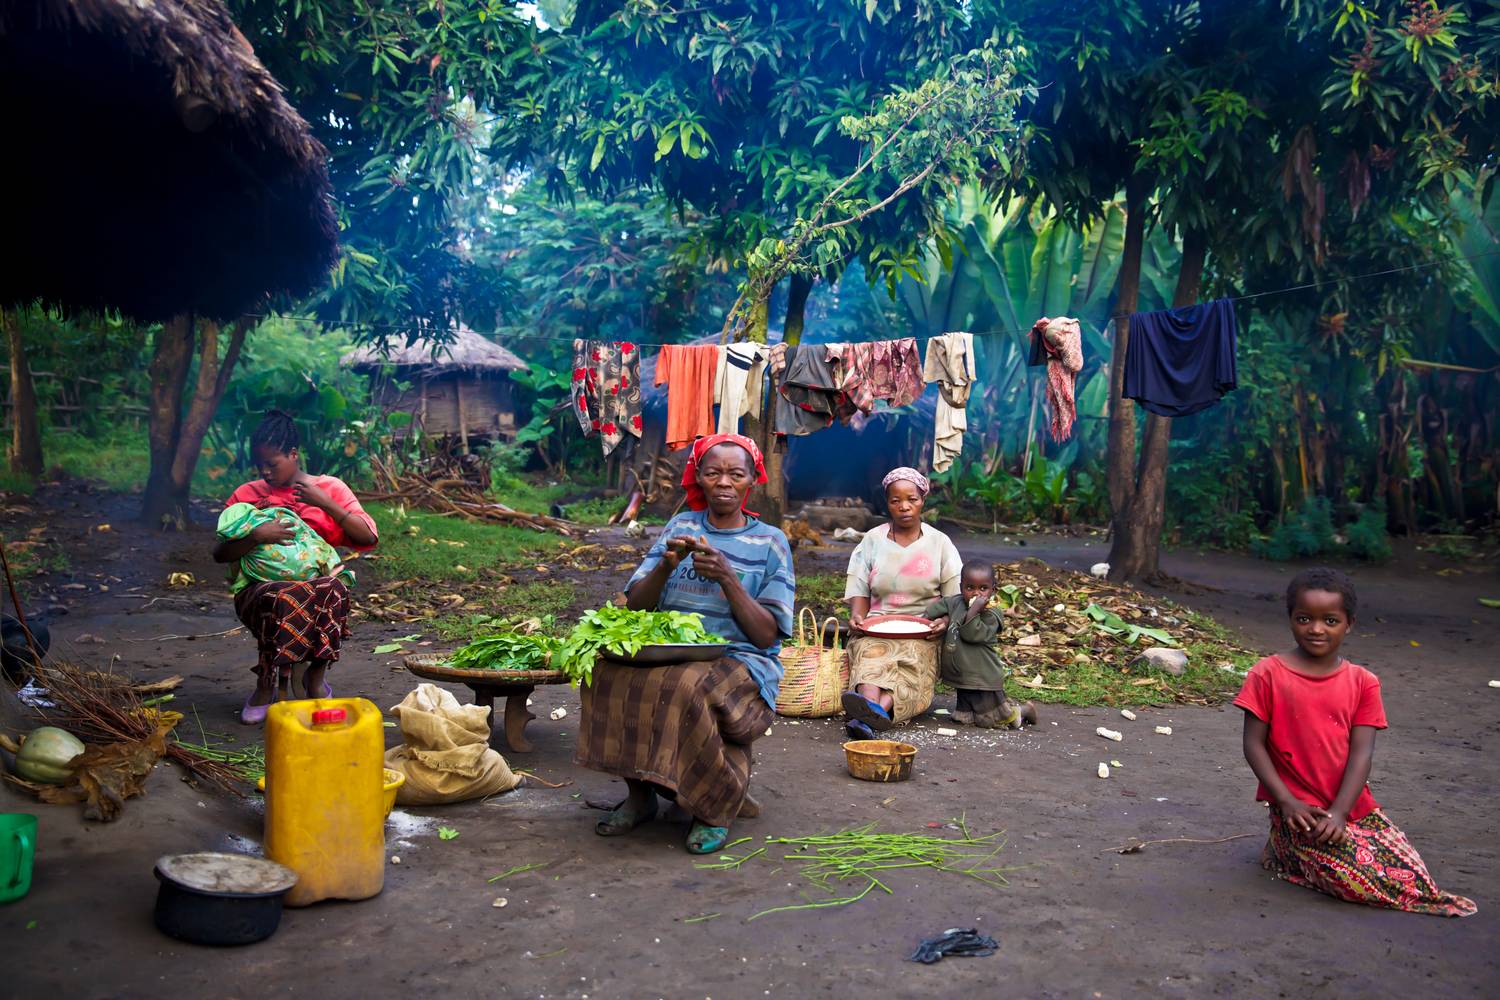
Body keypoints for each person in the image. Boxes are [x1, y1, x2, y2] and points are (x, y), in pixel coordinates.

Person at [575, 432, 794, 855]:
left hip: (741, 658)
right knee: (604, 673)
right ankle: (640, 796)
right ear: (700, 477)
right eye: (713, 473)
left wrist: (729, 578)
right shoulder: (681, 526)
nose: (724, 483)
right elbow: (637, 605)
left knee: (683, 687)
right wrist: (664, 567)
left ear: (753, 480)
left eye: (736, 474)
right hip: (671, 650)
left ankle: (712, 807)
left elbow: (766, 634)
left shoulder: (770, 541)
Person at [1234, 568, 1475, 917]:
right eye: (1304, 618)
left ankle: (1295, 849)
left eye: (1330, 620)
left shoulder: (1363, 682)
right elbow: (1253, 745)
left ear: (1349, 624)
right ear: (1290, 619)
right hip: (1300, 812)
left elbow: (1363, 753)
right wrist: (1287, 802)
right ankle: (1285, 846)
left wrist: (1340, 812)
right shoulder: (1267, 674)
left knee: (1413, 877)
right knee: (1353, 880)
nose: (1316, 629)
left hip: (1350, 804)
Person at [213, 410, 378, 724]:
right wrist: (255, 536)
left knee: (333, 586)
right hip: (260, 590)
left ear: (293, 454)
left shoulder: (329, 488)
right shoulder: (246, 496)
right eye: (259, 465)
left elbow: (368, 536)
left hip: (317, 592)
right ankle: (266, 683)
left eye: (272, 464)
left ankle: (314, 678)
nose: (265, 472)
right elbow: (220, 553)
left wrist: (325, 503)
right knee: (281, 595)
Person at [840, 466, 962, 738]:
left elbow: (954, 598)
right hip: (875, 628)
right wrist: (859, 618)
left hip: (924, 633)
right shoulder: (871, 541)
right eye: (896, 501)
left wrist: (942, 622)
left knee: (911, 665)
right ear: (887, 503)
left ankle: (870, 716)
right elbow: (859, 588)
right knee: (871, 661)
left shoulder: (940, 544)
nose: (904, 507)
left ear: (923, 501)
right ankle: (872, 710)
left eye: (912, 500)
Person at [924, 560, 1037, 729]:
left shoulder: (992, 614)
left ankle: (1024, 711)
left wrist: (974, 611)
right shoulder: (955, 602)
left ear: (993, 589)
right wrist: (939, 618)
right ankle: (969, 714)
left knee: (993, 718)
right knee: (965, 715)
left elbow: (972, 634)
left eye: (983, 589)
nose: (976, 594)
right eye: (970, 588)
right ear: (961, 587)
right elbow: (930, 613)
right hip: (962, 673)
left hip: (983, 675)